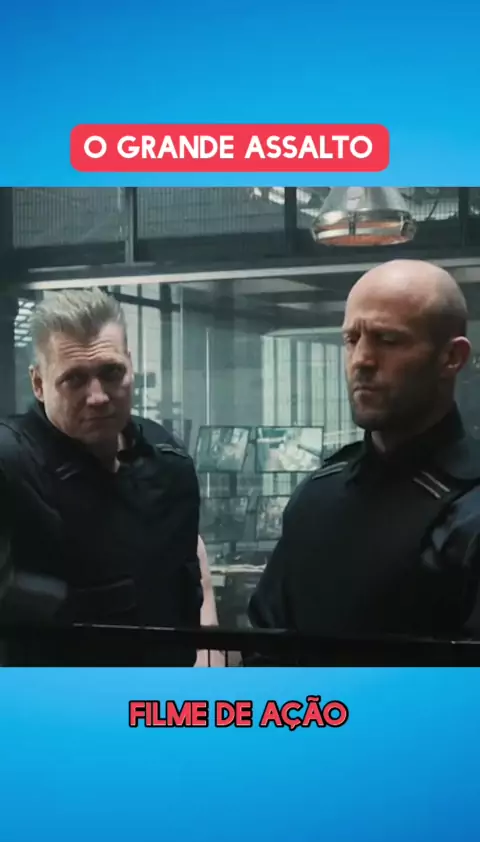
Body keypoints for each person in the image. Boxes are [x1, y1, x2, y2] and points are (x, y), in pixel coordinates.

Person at [248, 259, 480, 649]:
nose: (361, 360)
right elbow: (264, 644)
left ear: (451, 358)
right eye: (351, 339)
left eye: (388, 340)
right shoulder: (317, 495)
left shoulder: (470, 512)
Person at [0, 288, 204, 666]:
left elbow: (185, 590)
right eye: (74, 379)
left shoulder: (167, 462)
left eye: (111, 373)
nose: (98, 397)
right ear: (39, 384)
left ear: (130, 366)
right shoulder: (10, 465)